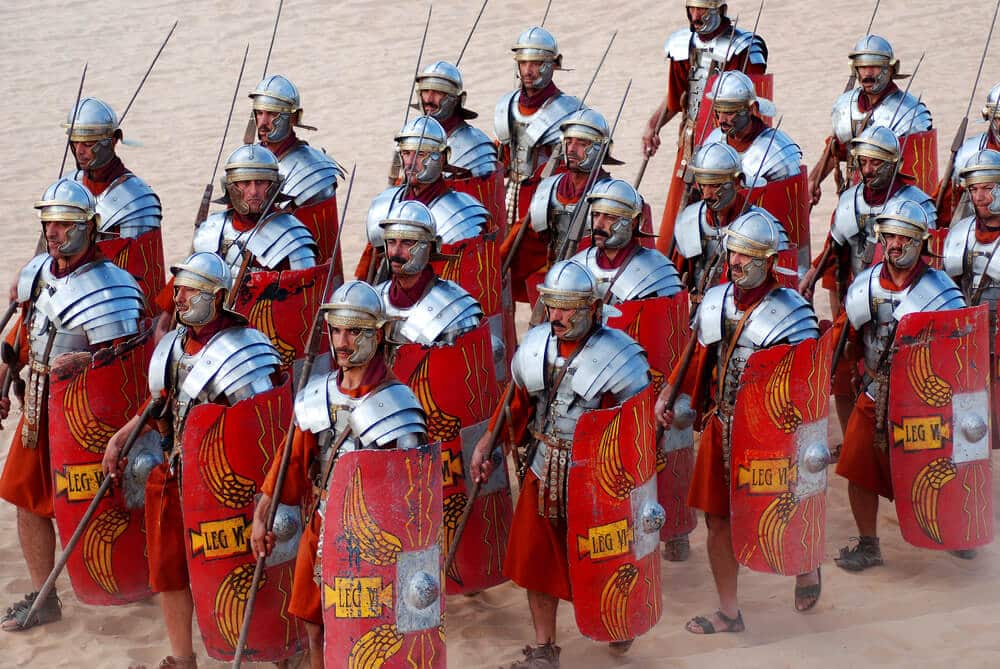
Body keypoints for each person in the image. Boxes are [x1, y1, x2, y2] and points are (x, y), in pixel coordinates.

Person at [102, 252, 282, 668]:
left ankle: (274, 651)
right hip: (176, 472)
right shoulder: (171, 347)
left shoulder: (247, 350)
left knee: (243, 567)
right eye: (178, 289)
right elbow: (160, 406)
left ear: (216, 297)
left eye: (189, 291)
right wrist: (122, 435)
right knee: (168, 569)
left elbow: (260, 430)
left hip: (227, 487)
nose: (178, 299)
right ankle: (182, 659)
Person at [470, 260, 651, 667]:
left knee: (605, 554)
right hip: (542, 468)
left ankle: (618, 621)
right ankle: (544, 648)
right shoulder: (536, 347)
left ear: (591, 308)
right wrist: (487, 443)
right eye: (552, 305)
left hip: (598, 480)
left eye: (567, 307)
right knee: (538, 561)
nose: (557, 315)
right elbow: (514, 407)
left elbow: (633, 432)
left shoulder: (620, 358)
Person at [655, 211, 822, 633]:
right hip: (723, 424)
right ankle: (729, 611)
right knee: (717, 518)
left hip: (773, 434)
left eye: (747, 255)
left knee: (787, 504)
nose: (736, 262)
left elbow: (807, 386)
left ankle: (805, 567)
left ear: (767, 261)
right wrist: (669, 394)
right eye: (733, 252)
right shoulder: (715, 300)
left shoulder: (795, 315)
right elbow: (695, 353)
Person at [251, 280, 426, 669]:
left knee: (371, 631)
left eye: (354, 331)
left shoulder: (399, 407)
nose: (342, 342)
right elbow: (289, 464)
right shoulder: (317, 395)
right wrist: (263, 513)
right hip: (322, 524)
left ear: (377, 335)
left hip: (374, 539)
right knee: (316, 624)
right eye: (336, 330)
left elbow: (414, 501)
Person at [0, 179, 146, 631]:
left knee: (110, 501)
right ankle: (44, 597)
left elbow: (128, 368)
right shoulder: (39, 274)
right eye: (49, 222)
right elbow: (21, 337)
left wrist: (88, 360)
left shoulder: (114, 288)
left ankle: (135, 584)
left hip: (90, 423)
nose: (54, 232)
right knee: (24, 495)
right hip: (40, 407)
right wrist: (4, 382)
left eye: (64, 223)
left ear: (88, 226)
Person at [834, 200, 966, 571]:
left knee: (939, 465)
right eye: (890, 235)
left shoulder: (942, 294)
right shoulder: (866, 285)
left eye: (904, 236)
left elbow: (955, 360)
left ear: (920, 241)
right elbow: (852, 340)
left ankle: (956, 531)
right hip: (875, 392)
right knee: (857, 466)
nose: (895, 243)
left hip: (923, 400)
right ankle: (868, 544)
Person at [800, 125, 935, 437]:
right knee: (845, 370)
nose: (868, 169)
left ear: (893, 164)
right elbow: (834, 247)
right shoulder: (851, 199)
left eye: (876, 163)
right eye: (863, 162)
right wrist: (812, 275)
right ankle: (852, 440)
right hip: (858, 298)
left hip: (904, 301)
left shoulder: (916, 204)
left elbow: (929, 260)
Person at [641, 0, 767, 251]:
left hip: (731, 145)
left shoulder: (743, 47)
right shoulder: (683, 45)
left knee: (727, 218)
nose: (696, 16)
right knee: (678, 221)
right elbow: (677, 97)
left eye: (703, 9)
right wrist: (653, 125)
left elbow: (754, 104)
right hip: (690, 143)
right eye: (692, 9)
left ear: (719, 10)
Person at [501, 109, 621, 301]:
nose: (572, 149)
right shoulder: (550, 188)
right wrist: (500, 267)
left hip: (597, 292)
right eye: (568, 141)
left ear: (600, 148)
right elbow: (528, 240)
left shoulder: (614, 197)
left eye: (582, 144)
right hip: (557, 285)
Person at [356, 115, 491, 281]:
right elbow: (369, 272)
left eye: (420, 154)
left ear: (442, 157)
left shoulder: (462, 216)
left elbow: (472, 280)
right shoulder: (386, 206)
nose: (410, 163)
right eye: (406, 153)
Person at [808, 35, 932, 206]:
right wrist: (813, 181)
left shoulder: (910, 113)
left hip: (893, 203)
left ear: (890, 69)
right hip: (853, 200)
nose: (867, 74)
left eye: (874, 66)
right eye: (862, 67)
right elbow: (836, 149)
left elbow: (918, 171)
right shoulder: (846, 105)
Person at [248, 75, 345, 267]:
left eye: (272, 114)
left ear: (292, 117)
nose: (263, 122)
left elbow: (321, 250)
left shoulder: (314, 174)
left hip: (292, 274)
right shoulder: (247, 163)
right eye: (259, 113)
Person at [673, 141, 791, 291]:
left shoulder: (765, 229)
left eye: (715, 186)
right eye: (703, 185)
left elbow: (781, 288)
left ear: (736, 181)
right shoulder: (690, 220)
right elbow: (678, 283)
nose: (706, 195)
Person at [495, 26, 580, 233]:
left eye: (536, 63)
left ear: (553, 64)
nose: (527, 71)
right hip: (510, 195)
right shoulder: (508, 105)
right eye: (523, 63)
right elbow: (503, 156)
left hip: (546, 199)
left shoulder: (569, 111)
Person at [373, 201, 484, 346]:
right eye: (391, 242)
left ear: (430, 247)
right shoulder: (374, 300)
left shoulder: (457, 311)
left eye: (407, 242)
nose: (395, 252)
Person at [570, 178, 683, 304]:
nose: (598, 225)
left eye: (610, 217)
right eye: (596, 215)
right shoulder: (576, 266)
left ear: (633, 223)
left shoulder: (656, 273)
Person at [65, 96, 162, 238]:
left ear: (113, 140)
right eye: (75, 142)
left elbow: (139, 258)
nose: (79, 151)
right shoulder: (66, 187)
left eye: (88, 144)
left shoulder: (138, 202)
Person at [415, 60, 499, 179]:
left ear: (456, 99)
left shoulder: (476, 146)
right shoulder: (412, 137)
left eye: (438, 92)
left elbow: (486, 193)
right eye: (425, 91)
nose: (428, 99)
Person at [935, 83, 1000, 225]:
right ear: (989, 116)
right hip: (975, 235)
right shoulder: (971, 152)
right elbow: (947, 207)